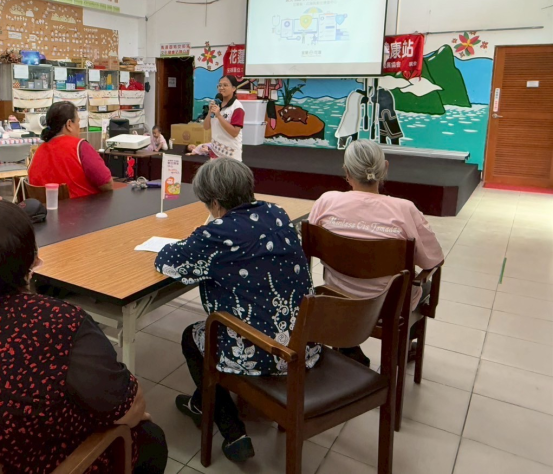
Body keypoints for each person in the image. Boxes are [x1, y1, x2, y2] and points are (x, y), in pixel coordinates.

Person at [0, 201, 168, 474]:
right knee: (150, 438)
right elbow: (127, 408)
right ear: (27, 262)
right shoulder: (59, 322)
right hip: (25, 464)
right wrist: (135, 413)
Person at [154, 158, 320, 463]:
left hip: (269, 352)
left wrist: (197, 237)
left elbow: (168, 261)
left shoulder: (217, 234)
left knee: (193, 337)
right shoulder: (277, 213)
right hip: (304, 341)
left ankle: (233, 432)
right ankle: (202, 403)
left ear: (216, 203)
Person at [308, 139, 444, 364]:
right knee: (424, 286)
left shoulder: (326, 202)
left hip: (336, 297)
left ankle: (348, 346)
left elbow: (310, 245)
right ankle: (401, 347)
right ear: (385, 168)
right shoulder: (404, 209)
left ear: (347, 172)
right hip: (388, 306)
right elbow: (433, 261)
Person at [28, 102, 113, 199]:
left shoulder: (38, 152)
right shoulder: (80, 147)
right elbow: (107, 183)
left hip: (46, 208)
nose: (79, 127)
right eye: (78, 122)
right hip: (82, 207)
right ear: (69, 124)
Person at [203, 75, 245, 161]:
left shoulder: (237, 107)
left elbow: (234, 133)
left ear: (234, 88)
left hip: (230, 154)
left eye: (225, 85)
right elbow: (206, 127)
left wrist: (219, 116)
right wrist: (210, 112)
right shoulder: (216, 104)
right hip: (215, 151)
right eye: (220, 85)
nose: (221, 88)